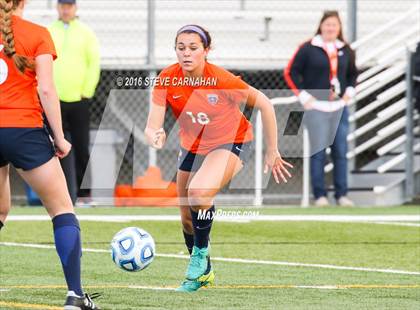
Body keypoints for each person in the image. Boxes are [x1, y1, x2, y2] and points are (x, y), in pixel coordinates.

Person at [145, 24, 293, 292]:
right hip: (192, 146)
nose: (186, 54)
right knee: (186, 216)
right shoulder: (167, 78)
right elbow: (152, 125)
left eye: (193, 48)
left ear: (206, 50)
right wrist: (155, 134)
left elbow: (265, 104)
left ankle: (199, 258)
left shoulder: (220, 79)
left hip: (230, 141)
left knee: (199, 194)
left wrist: (272, 150)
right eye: (181, 48)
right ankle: (205, 272)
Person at [0, 0, 100, 309]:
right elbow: (46, 90)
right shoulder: (37, 33)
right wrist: (59, 137)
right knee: (62, 210)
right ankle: (75, 296)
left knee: (0, 212)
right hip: (24, 131)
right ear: (23, 2)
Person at [284, 10, 358, 207]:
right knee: (318, 153)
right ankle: (320, 196)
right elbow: (291, 72)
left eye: (334, 25)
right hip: (316, 107)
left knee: (340, 151)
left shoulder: (346, 49)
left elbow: (352, 74)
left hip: (339, 108)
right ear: (321, 26)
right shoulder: (308, 48)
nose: (331, 28)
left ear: (339, 28)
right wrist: (303, 96)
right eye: (327, 24)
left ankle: (342, 195)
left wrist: (350, 91)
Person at [48, 0, 100, 204]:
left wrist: (86, 91)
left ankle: (84, 195)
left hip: (78, 100)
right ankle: (56, 195)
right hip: (53, 100)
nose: (65, 9)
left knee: (81, 147)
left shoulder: (86, 33)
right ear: (57, 7)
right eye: (62, 5)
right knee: (52, 149)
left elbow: (93, 62)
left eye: (69, 5)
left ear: (75, 8)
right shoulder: (49, 31)